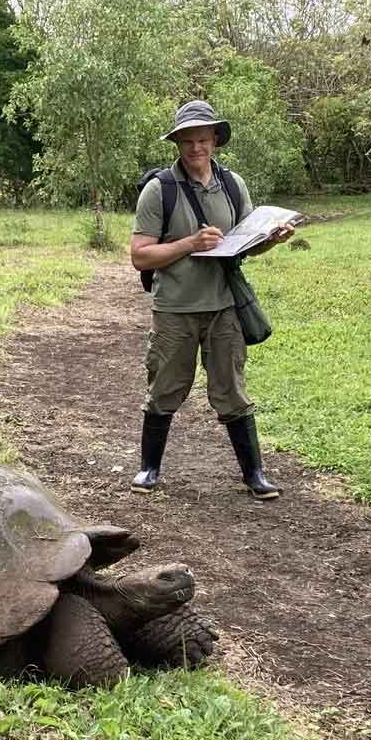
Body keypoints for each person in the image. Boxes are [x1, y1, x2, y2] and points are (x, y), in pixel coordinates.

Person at [129, 100, 294, 499]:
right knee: (165, 387)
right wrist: (189, 243)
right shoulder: (159, 190)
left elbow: (244, 246)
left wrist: (270, 240)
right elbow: (139, 255)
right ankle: (149, 469)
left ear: (215, 140)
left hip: (224, 306)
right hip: (175, 308)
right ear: (178, 144)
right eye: (187, 141)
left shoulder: (234, 185)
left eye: (203, 139)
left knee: (231, 389)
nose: (195, 148)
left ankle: (254, 474)